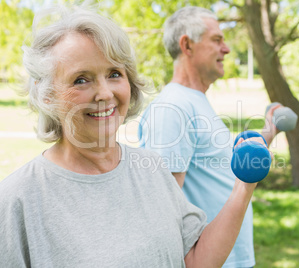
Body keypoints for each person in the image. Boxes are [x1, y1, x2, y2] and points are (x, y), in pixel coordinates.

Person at [0, 5, 268, 267]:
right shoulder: (17, 201)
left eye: (114, 74)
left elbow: (194, 261)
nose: (105, 93)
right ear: (47, 95)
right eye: (81, 79)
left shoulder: (152, 169)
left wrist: (244, 186)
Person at [138, 6, 280, 268]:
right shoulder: (173, 108)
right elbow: (164, 214)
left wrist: (269, 131)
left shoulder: (193, 101)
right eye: (217, 40)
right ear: (187, 45)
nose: (226, 49)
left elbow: (218, 168)